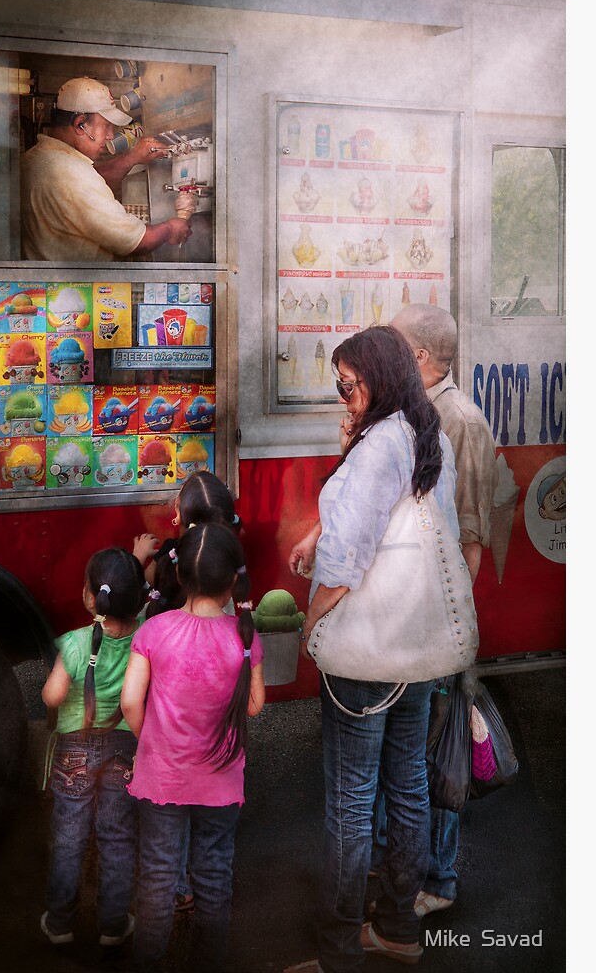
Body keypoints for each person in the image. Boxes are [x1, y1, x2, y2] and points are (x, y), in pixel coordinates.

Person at [285, 326, 459, 971]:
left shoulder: (379, 445)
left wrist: (311, 627)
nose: (342, 397)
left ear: (379, 380)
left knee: (351, 801)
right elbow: (398, 524)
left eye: (348, 385)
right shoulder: (425, 434)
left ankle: (334, 948)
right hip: (414, 644)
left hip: (366, 650)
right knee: (407, 786)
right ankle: (397, 930)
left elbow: (343, 565)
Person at [385, 303, 498, 917]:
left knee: (440, 751)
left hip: (438, 621)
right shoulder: (413, 411)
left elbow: (472, 540)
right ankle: (400, 864)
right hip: (405, 616)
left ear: (421, 357)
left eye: (398, 344)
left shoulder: (463, 420)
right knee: (407, 753)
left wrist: (450, 627)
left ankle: (440, 880)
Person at [121, 523, 266, 973]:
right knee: (214, 872)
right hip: (221, 782)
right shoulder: (245, 637)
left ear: (179, 576)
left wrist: (152, 742)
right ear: (231, 583)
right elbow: (256, 705)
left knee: (160, 874)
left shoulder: (154, 630)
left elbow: (129, 701)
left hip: (162, 776)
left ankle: (146, 960)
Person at [39, 547, 147, 948]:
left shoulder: (74, 643)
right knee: (117, 836)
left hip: (74, 751)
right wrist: (142, 562)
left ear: (89, 596)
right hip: (124, 746)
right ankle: (113, 926)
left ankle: (61, 923)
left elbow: (51, 698)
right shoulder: (146, 636)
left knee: (69, 836)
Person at [21, 77, 192, 260]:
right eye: (106, 126)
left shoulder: (37, 158)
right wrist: (171, 228)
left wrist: (132, 157)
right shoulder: (72, 174)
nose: (111, 136)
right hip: (80, 285)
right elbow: (137, 242)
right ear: (80, 124)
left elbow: (90, 187)